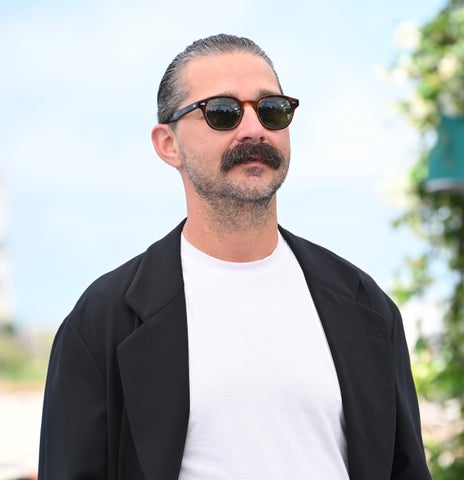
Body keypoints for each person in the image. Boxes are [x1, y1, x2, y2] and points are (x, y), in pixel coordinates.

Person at [38, 34, 431, 480]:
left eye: (271, 110)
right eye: (222, 112)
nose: (253, 129)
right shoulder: (103, 321)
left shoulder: (364, 304)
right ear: (168, 144)